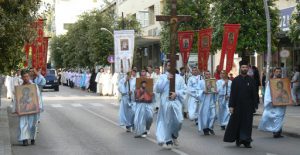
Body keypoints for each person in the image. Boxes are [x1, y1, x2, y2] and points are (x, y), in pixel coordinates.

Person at [223, 60, 258, 148]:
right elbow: (233, 94)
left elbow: (254, 93)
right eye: (243, 67)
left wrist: (255, 105)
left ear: (248, 68)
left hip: (248, 106)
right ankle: (239, 139)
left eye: (246, 67)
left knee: (247, 124)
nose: (244, 69)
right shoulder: (235, 80)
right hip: (238, 106)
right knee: (238, 123)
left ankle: (247, 141)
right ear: (240, 69)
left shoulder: (251, 80)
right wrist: (231, 106)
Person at [155, 61, 187, 149]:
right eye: (169, 65)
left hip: (176, 102)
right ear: (166, 66)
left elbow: (184, 90)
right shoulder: (162, 77)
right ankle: (168, 140)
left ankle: (174, 135)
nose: (170, 66)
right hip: (165, 103)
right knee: (167, 121)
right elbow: (157, 89)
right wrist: (166, 80)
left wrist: (176, 93)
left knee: (179, 121)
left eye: (172, 65)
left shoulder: (180, 78)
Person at [258, 67, 287, 138]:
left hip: (281, 103)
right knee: (275, 117)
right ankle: (276, 131)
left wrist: (287, 99)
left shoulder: (284, 81)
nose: (278, 73)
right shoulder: (270, 82)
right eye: (277, 71)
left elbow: (286, 92)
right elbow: (268, 92)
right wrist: (270, 101)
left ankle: (278, 131)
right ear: (274, 72)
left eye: (279, 71)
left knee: (280, 117)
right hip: (273, 103)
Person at [17, 70, 42, 146]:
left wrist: (39, 107)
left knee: (32, 124)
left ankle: (32, 138)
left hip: (33, 109)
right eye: (24, 77)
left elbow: (38, 97)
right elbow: (17, 99)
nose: (26, 78)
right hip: (23, 109)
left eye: (27, 76)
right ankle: (24, 139)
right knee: (23, 124)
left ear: (29, 77)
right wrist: (16, 108)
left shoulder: (34, 86)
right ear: (22, 77)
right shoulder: (19, 87)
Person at [198, 70, 217, 135]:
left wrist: (215, 92)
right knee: (205, 116)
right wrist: (203, 91)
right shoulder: (201, 82)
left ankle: (210, 127)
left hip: (211, 100)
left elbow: (215, 89)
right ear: (204, 75)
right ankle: (205, 129)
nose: (208, 75)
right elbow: (197, 90)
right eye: (206, 74)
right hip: (204, 101)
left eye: (209, 74)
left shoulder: (212, 81)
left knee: (214, 115)